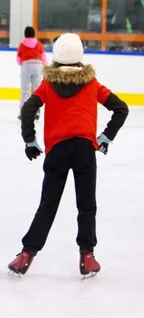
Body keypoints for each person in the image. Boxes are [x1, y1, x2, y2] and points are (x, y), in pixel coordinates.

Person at [8, 33, 129, 278]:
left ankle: (26, 255)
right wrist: (105, 138)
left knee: (47, 205)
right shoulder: (92, 83)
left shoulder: (48, 84)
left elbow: (29, 107)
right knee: (86, 205)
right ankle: (87, 256)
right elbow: (121, 108)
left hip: (58, 152)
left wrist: (30, 141)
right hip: (85, 150)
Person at [17, 26, 48, 120]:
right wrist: (43, 66)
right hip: (37, 65)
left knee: (25, 90)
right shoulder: (38, 44)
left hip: (26, 65)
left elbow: (18, 59)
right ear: (34, 34)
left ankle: (23, 112)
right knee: (36, 90)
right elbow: (43, 57)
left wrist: (23, 65)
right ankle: (36, 111)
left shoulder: (22, 45)